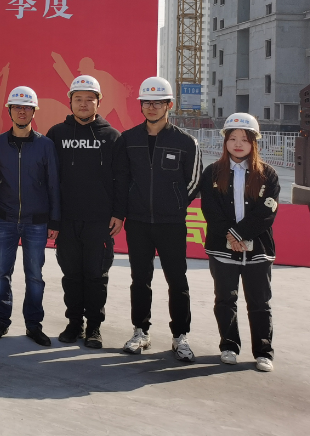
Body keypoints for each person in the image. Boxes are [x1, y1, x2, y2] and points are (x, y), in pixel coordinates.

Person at [115, 76, 202, 362]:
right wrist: (123, 211)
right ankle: (140, 331)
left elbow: (194, 182)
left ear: (169, 105)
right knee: (140, 279)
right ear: (140, 105)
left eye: (158, 102)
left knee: (177, 280)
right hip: (138, 223)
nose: (151, 107)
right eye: (146, 102)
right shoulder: (128, 139)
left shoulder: (186, 142)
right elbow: (121, 179)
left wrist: (175, 206)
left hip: (171, 224)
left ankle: (180, 337)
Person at [45, 75, 124, 348]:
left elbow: (121, 179)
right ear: (70, 102)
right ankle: (74, 324)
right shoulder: (56, 134)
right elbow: (48, 179)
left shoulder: (111, 136)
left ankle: (94, 327)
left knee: (96, 276)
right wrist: (52, 218)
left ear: (98, 102)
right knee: (71, 276)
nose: (83, 104)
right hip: (67, 221)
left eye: (89, 99)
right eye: (78, 99)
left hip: (99, 222)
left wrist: (118, 213)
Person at [200, 113, 278, 373]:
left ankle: (263, 352)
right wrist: (230, 236)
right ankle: (229, 346)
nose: (238, 144)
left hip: (258, 250)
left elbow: (267, 211)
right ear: (225, 141)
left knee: (260, 302)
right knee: (225, 299)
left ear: (254, 142)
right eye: (232, 138)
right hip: (222, 249)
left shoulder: (268, 174)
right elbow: (210, 210)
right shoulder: (212, 172)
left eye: (244, 139)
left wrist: (239, 234)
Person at [0, 86, 60, 346]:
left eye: (27, 107)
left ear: (34, 111)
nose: (21, 111)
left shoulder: (45, 145)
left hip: (36, 223)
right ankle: (1, 321)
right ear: (9, 111)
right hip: (4, 220)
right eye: (17, 107)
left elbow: (53, 184)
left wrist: (55, 220)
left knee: (35, 276)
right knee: (1, 274)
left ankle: (33, 325)